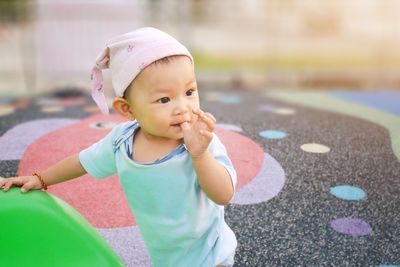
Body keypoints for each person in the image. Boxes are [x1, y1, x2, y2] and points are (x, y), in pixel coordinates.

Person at [0, 27, 237, 267]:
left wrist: (200, 155)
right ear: (127, 109)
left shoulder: (199, 140)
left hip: (211, 252)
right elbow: (81, 162)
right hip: (168, 256)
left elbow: (223, 194)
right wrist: (41, 179)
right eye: (164, 99)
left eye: (189, 92)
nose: (182, 107)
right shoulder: (121, 142)